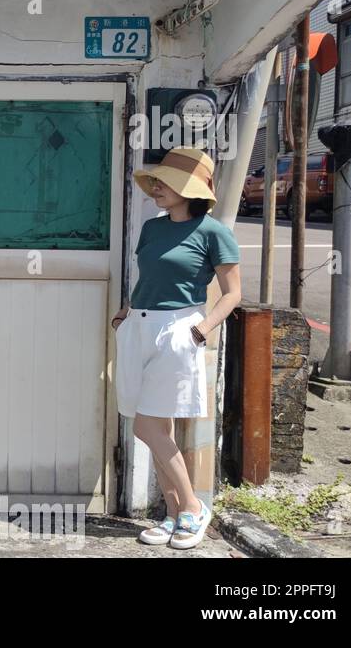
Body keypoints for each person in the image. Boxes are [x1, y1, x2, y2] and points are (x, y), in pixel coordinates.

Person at [113, 147, 241, 550]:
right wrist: (126, 311)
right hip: (139, 325)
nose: (156, 189)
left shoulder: (214, 232)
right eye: (156, 182)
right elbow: (147, 278)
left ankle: (191, 507)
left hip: (180, 329)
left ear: (191, 190)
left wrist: (202, 329)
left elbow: (232, 293)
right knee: (156, 426)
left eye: (166, 183)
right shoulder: (152, 228)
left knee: (145, 426)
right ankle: (171, 515)